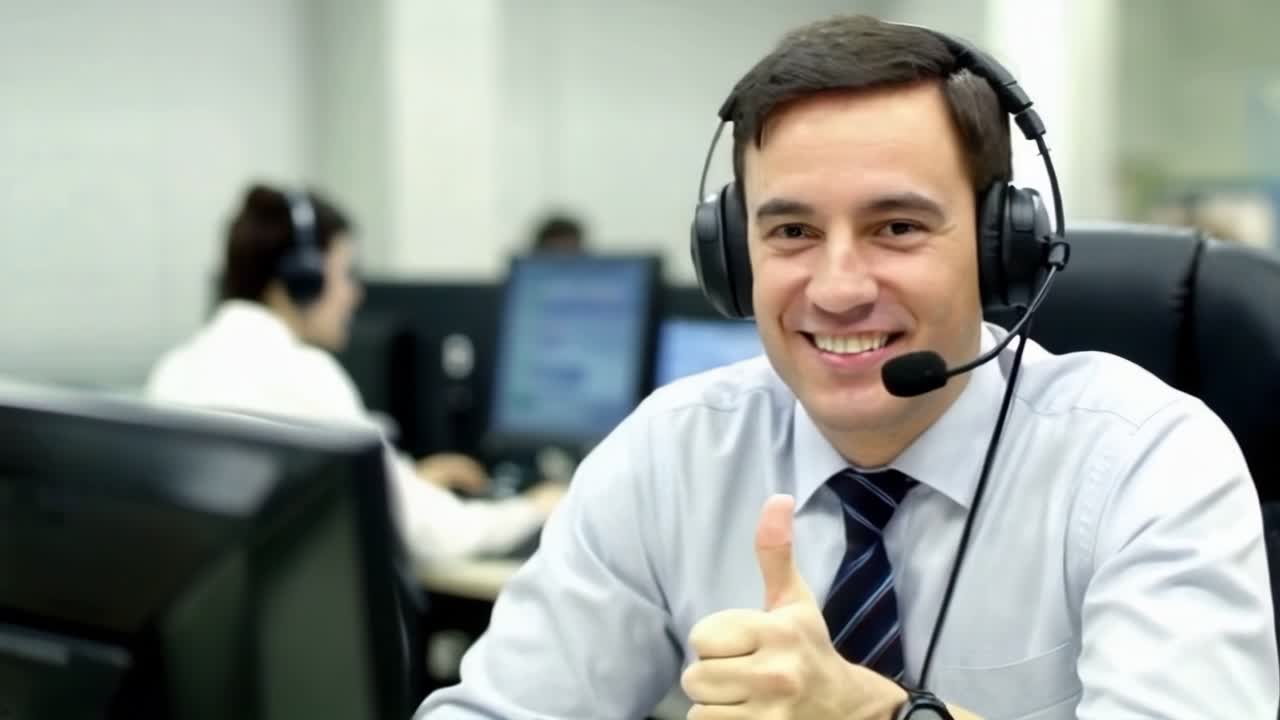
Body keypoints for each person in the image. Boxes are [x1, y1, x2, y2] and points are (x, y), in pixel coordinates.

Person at [415, 14, 1278, 720]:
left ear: (999, 249)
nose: (836, 289)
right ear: (734, 257)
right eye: (791, 232)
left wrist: (879, 715)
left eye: (897, 227)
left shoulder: (1145, 463)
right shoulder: (669, 456)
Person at [145, 184, 563, 561]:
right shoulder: (304, 374)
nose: (355, 294)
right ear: (302, 281)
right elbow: (437, 535)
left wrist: (402, 484)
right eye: (345, 274)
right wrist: (536, 507)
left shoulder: (176, 370)